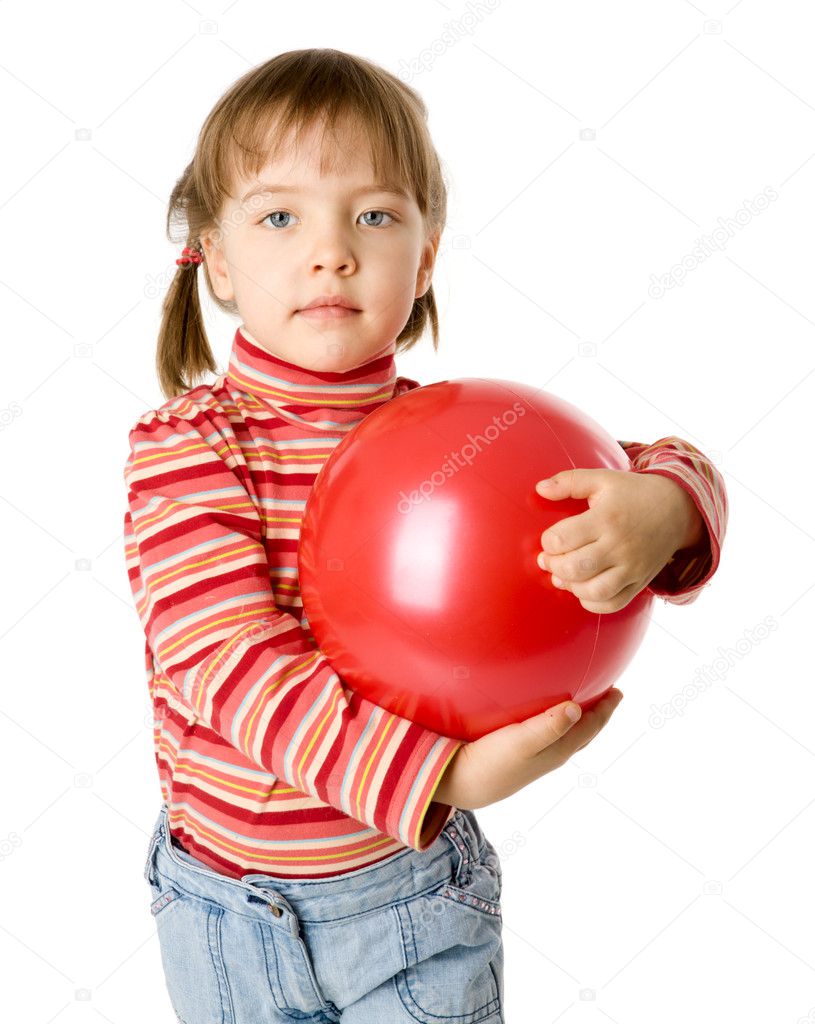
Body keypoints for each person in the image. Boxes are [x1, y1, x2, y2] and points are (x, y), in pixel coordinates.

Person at [123, 48, 728, 1024]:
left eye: (374, 215)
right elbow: (227, 662)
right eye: (280, 218)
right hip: (229, 918)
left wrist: (668, 507)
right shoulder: (191, 447)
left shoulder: (461, 436)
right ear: (218, 260)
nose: (331, 251)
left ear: (427, 255)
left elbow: (638, 464)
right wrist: (446, 775)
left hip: (414, 896)